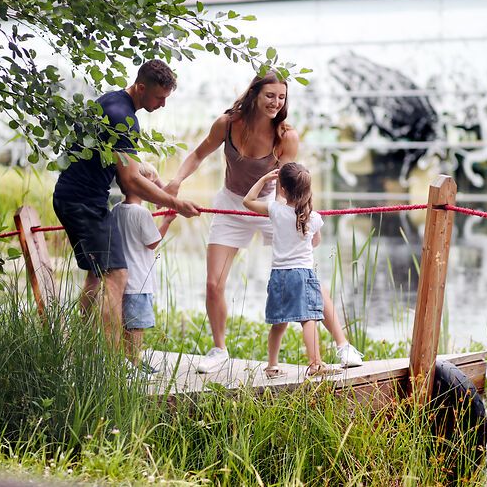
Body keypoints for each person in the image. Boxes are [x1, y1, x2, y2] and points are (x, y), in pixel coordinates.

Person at [165, 71, 363, 373]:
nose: (276, 102)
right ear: (254, 94)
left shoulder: (285, 136)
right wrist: (176, 180)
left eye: (281, 97)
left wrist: (300, 218)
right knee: (213, 283)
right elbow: (198, 153)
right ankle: (219, 349)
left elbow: (291, 185)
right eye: (270, 95)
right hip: (231, 203)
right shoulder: (227, 123)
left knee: (306, 275)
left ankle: (343, 345)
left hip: (273, 204)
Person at [53, 59, 200, 352]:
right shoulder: (124, 117)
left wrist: (151, 177)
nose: (162, 104)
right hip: (84, 203)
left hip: (72, 197)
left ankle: (84, 351)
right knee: (117, 274)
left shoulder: (111, 101)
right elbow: (130, 180)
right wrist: (175, 203)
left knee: (96, 273)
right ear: (141, 87)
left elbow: (122, 165)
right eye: (159, 97)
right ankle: (112, 363)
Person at [243, 163, 340, 378]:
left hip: (279, 274)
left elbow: (247, 201)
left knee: (279, 323)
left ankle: (272, 366)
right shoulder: (313, 218)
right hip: (302, 275)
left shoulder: (275, 210)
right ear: (307, 190)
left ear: (283, 189)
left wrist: (264, 180)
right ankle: (315, 364)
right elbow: (316, 242)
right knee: (309, 319)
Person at [114, 163, 176, 374]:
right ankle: (134, 363)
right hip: (139, 280)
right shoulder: (142, 213)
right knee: (136, 326)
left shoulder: (116, 209)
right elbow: (152, 242)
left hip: (121, 279)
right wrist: (167, 221)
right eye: (151, 184)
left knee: (125, 323)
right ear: (140, 186)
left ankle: (127, 360)